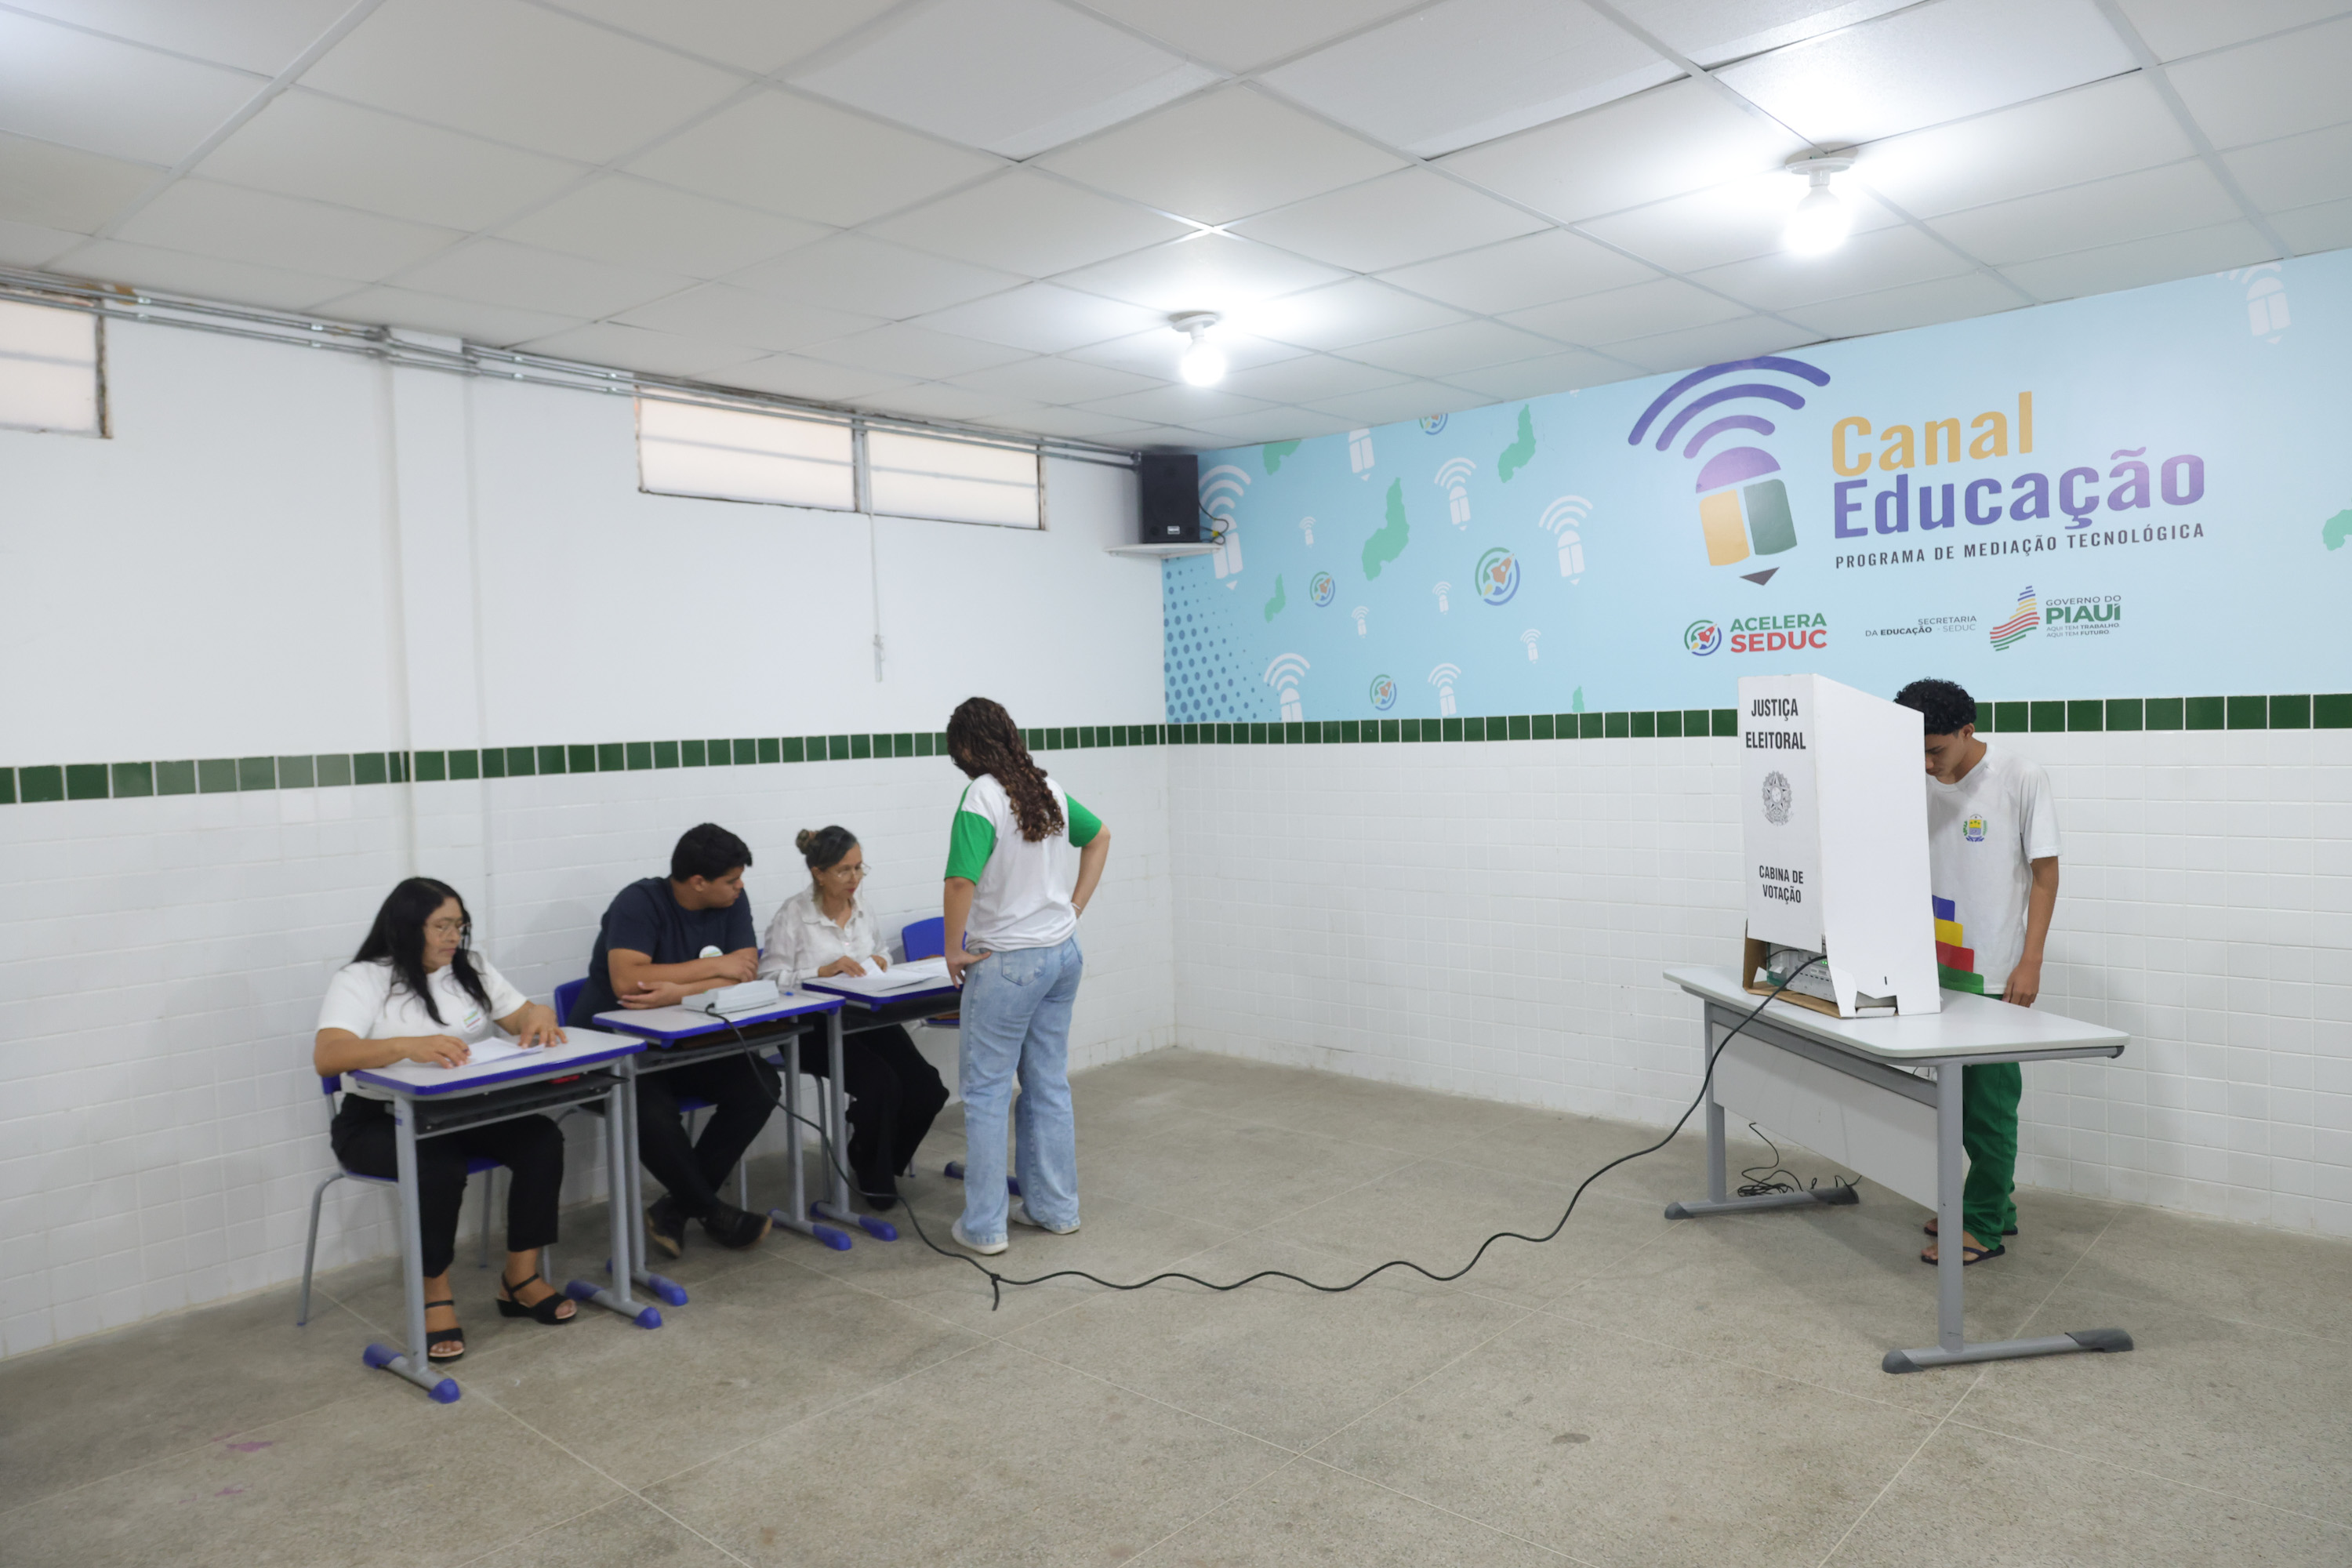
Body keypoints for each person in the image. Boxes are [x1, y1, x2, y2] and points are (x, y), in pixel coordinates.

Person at [314, 878, 577, 1363]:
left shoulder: (470, 968)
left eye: (459, 926)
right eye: (441, 926)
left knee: (541, 1138)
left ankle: (520, 1278)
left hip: (463, 1108)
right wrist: (407, 1047)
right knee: (437, 1165)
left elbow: (522, 1015)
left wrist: (538, 1016)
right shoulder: (364, 978)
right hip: (378, 1121)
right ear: (406, 927)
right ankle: (435, 1294)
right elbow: (328, 1056)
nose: (453, 936)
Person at [1896, 677, 2060, 1269]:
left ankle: (1984, 1222)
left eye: (1936, 750)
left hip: (1992, 973)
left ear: (1968, 731)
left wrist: (2030, 960)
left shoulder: (2021, 778)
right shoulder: (1912, 776)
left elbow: (2044, 875)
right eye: (1916, 751)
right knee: (1952, 1100)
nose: (1926, 763)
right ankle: (1993, 1204)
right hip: (1930, 965)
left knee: (1990, 1107)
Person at [938, 697, 1112, 1254]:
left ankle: (986, 1227)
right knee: (1047, 1084)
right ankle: (1056, 1209)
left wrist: (952, 949)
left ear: (966, 747)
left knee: (987, 1093)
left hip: (1008, 963)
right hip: (1062, 955)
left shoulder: (981, 796)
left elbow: (960, 882)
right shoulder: (1047, 789)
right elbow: (1101, 835)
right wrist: (1075, 908)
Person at [569, 822, 774, 1256]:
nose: (740, 888)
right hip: (612, 1053)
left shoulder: (732, 900)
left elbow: (747, 968)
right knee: (651, 1109)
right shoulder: (638, 903)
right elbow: (629, 979)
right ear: (698, 883)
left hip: (683, 1044)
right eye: (731, 881)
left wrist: (676, 989)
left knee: (760, 1084)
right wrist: (711, 974)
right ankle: (710, 1210)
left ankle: (675, 1209)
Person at [759, 826, 952, 1210]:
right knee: (882, 1085)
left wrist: (882, 960)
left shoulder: (862, 907)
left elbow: (880, 950)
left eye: (859, 868)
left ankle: (870, 1153)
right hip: (812, 1028)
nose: (855, 879)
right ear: (818, 872)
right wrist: (821, 972)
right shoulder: (793, 915)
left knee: (928, 1088)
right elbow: (769, 980)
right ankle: (875, 1177)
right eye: (844, 871)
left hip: (867, 1018)